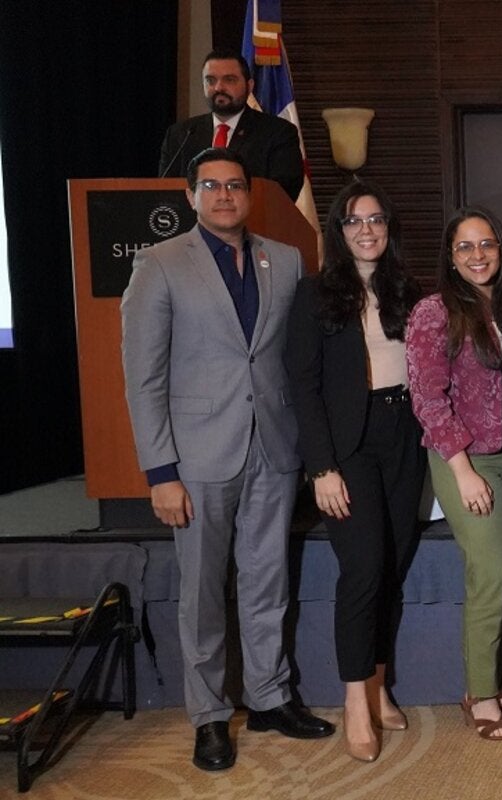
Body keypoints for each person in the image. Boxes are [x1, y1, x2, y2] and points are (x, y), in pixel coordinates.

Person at [121, 148, 333, 772]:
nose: (223, 195)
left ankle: (269, 696)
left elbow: (292, 357)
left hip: (273, 446)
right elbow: (142, 379)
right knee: (203, 593)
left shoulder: (285, 259)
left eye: (234, 185)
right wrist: (160, 472)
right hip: (196, 460)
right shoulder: (158, 264)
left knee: (269, 583)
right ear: (191, 196)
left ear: (248, 193)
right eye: (210, 185)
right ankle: (210, 715)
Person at [283, 180, 424, 763]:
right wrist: (321, 467)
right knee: (362, 569)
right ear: (339, 232)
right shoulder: (313, 293)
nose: (366, 229)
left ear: (388, 229)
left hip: (404, 438)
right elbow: (303, 385)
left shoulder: (408, 291)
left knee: (393, 567)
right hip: (347, 447)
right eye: (353, 221)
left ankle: (378, 684)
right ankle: (353, 702)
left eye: (376, 219)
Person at [407, 207, 502, 741]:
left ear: (501, 252)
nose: (477, 255)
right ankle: (479, 694)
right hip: (465, 459)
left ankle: (497, 686)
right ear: (451, 257)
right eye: (465, 247)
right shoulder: (434, 312)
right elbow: (427, 399)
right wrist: (461, 471)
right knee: (491, 574)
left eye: (487, 245)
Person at [158, 48, 303, 201]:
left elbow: (283, 192)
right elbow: (164, 192)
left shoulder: (278, 132)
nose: (218, 87)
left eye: (229, 80)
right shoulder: (181, 134)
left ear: (250, 86)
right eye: (210, 80)